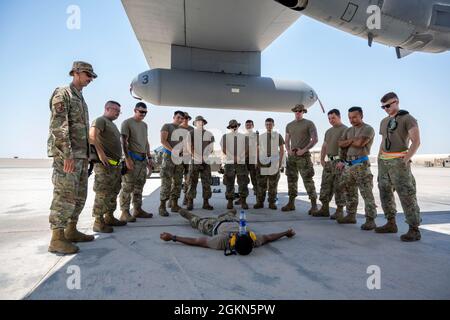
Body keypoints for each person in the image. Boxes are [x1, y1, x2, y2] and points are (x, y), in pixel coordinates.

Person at [47, 61, 97, 254]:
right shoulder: (63, 94)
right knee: (64, 195)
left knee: (79, 195)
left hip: (81, 156)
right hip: (67, 156)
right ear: (76, 72)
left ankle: (71, 230)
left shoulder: (81, 98)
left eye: (92, 76)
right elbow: (59, 127)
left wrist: (88, 156)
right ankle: (57, 238)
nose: (90, 79)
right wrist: (66, 154)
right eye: (88, 75)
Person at [375, 92, 422, 241]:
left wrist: (406, 159)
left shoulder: (408, 118)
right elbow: (383, 141)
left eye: (388, 105)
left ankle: (414, 229)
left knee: (406, 195)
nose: (386, 108)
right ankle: (391, 223)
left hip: (399, 162)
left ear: (397, 102)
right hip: (384, 162)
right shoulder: (383, 121)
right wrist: (379, 158)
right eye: (383, 107)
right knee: (385, 193)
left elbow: (416, 141)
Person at [160, 208, 296, 255]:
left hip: (214, 225)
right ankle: (226, 214)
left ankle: (189, 215)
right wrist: (285, 232)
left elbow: (197, 241)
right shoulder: (254, 240)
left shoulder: (221, 241)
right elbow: (269, 237)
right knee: (232, 212)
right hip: (232, 219)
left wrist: (173, 237)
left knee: (196, 221)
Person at [336, 107, 377, 230]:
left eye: (354, 117)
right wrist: (352, 140)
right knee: (350, 191)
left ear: (361, 116)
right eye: (349, 117)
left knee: (366, 193)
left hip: (361, 164)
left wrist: (348, 142)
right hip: (348, 164)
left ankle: (370, 220)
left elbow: (360, 143)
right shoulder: (348, 130)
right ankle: (351, 215)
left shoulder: (368, 129)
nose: (352, 120)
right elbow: (340, 144)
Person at [89, 101, 127, 233]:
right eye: (116, 110)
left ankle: (109, 217)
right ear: (107, 108)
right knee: (103, 193)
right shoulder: (100, 120)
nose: (118, 113)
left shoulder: (113, 125)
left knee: (113, 191)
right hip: (104, 165)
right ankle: (98, 222)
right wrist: (100, 153)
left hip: (114, 165)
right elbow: (91, 137)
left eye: (119, 111)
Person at [119, 102, 154, 222]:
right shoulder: (127, 123)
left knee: (139, 186)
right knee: (127, 187)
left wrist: (149, 158)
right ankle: (124, 212)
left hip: (142, 159)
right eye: (141, 111)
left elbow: (146, 142)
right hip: (132, 158)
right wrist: (127, 159)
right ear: (135, 110)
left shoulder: (144, 125)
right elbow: (123, 141)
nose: (143, 114)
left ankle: (137, 210)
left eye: (145, 112)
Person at [282, 104, 319, 214]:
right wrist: (288, 150)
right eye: (296, 111)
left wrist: (304, 150)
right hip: (292, 157)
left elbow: (315, 139)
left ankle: (314, 205)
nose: (298, 112)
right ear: (294, 112)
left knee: (307, 180)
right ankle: (291, 203)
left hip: (303, 156)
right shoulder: (289, 125)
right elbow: (287, 140)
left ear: (303, 112)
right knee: (291, 180)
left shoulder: (309, 123)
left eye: (300, 111)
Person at [314, 109, 348, 219]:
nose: (331, 120)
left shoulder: (346, 130)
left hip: (340, 162)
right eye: (329, 118)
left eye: (333, 118)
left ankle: (339, 211)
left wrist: (344, 161)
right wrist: (322, 159)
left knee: (339, 187)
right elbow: (324, 146)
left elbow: (348, 148)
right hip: (329, 162)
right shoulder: (328, 131)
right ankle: (324, 209)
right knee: (325, 186)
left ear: (339, 117)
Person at [254, 118, 285, 210]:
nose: (268, 126)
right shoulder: (261, 136)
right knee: (261, 184)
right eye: (267, 124)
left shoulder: (278, 136)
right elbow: (257, 150)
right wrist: (256, 161)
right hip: (263, 162)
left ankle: (272, 203)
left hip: (274, 162)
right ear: (265, 125)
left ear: (273, 125)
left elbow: (282, 150)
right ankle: (260, 202)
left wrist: (280, 163)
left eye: (270, 124)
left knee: (273, 184)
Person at [185, 116, 215, 210]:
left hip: (205, 160)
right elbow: (189, 147)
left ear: (204, 123)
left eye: (201, 121)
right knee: (192, 182)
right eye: (198, 121)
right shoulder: (191, 133)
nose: (200, 123)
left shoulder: (209, 134)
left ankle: (206, 202)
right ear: (195, 123)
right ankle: (190, 202)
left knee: (206, 182)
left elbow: (211, 147)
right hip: (195, 160)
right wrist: (197, 156)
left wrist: (204, 156)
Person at [159, 110, 185, 216]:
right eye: (178, 117)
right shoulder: (167, 126)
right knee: (166, 182)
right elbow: (163, 141)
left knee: (178, 181)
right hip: (169, 157)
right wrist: (173, 150)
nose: (180, 120)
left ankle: (174, 204)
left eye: (182, 118)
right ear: (174, 117)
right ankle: (162, 206)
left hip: (179, 157)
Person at [221, 120, 250, 210]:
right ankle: (230, 201)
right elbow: (224, 149)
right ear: (229, 127)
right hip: (230, 163)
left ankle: (243, 201)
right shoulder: (225, 137)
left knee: (243, 182)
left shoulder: (244, 137)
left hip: (241, 163)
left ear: (238, 126)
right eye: (232, 126)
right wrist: (233, 158)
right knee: (229, 182)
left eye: (235, 126)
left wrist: (240, 157)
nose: (234, 128)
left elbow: (247, 149)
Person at [179, 112, 195, 206]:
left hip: (188, 157)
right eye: (183, 118)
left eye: (187, 118)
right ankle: (173, 200)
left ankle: (186, 197)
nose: (185, 119)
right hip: (178, 156)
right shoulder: (177, 128)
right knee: (176, 179)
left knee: (188, 179)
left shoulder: (192, 129)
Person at [243, 120, 259, 200]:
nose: (248, 126)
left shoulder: (256, 135)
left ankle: (258, 199)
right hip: (245, 159)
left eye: (250, 125)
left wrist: (256, 160)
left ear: (253, 126)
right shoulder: (243, 136)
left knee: (254, 179)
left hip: (253, 159)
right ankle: (243, 198)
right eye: (247, 125)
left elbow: (258, 148)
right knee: (243, 180)